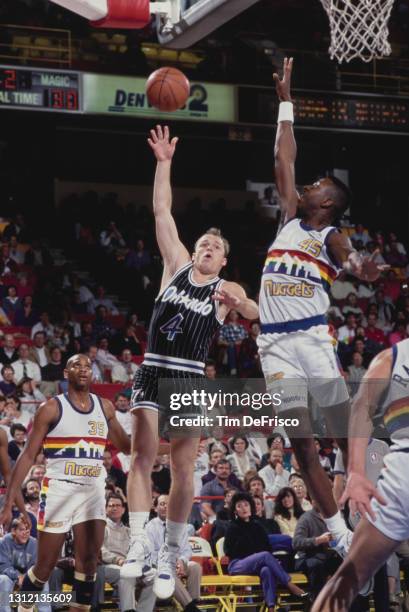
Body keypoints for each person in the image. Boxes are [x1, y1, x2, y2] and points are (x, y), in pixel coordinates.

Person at [257, 57, 388, 557]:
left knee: (348, 433)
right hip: (275, 348)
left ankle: (383, 486)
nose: (307, 185)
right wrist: (285, 102)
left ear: (329, 202)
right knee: (302, 444)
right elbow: (283, 158)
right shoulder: (288, 216)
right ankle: (338, 532)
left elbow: (348, 257)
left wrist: (360, 266)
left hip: (312, 341)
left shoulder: (331, 233)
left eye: (317, 186)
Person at [122, 125, 258, 599]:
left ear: (224, 260)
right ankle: (140, 540)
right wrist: (163, 163)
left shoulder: (226, 288)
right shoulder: (176, 265)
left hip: (191, 379)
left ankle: (171, 552)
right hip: (154, 367)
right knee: (141, 456)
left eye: (214, 247)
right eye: (203, 243)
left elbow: (256, 311)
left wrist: (238, 304)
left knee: (183, 471)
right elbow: (162, 210)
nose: (206, 248)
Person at [0, 353, 131, 612]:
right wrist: (8, 502)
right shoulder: (51, 407)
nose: (83, 369)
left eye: (87, 365)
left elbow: (128, 446)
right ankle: (24, 608)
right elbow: (27, 456)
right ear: (65, 373)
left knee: (89, 563)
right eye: (76, 365)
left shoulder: (105, 407)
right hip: (59, 490)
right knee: (45, 566)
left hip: (93, 492)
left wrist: (172, 446)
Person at [311, 338, 409, 610]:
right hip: (395, 486)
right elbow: (360, 407)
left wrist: (355, 472)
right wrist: (353, 471)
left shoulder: (389, 358)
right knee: (349, 578)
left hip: (399, 481)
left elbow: (360, 407)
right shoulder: (390, 358)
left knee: (347, 580)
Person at [224, 492, 310, 611]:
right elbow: (229, 551)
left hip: (258, 563)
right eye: (239, 506)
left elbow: (267, 547)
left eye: (246, 505)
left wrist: (265, 559)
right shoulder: (232, 528)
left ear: (251, 507)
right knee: (264, 556)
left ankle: (270, 607)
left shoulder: (257, 526)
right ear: (235, 511)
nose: (244, 508)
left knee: (267, 570)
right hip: (237, 564)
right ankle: (291, 586)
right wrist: (255, 554)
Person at [98, 494, 155, 612]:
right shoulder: (101, 528)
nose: (114, 508)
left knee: (155, 576)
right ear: (105, 509)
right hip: (107, 566)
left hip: (129, 565)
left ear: (123, 510)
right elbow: (100, 550)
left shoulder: (129, 531)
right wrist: (117, 560)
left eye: (118, 505)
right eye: (111, 506)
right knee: (127, 575)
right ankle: (129, 609)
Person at [146, 495, 202, 612]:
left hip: (177, 564)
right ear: (155, 508)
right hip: (158, 567)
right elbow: (151, 555)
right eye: (162, 504)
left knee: (195, 567)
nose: (166, 506)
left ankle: (193, 602)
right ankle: (191, 608)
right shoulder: (150, 527)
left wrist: (181, 561)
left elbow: (186, 550)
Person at [0, 517, 52, 612]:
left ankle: (45, 610)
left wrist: (26, 577)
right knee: (3, 579)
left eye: (27, 530)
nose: (25, 533)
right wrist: (17, 576)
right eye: (21, 530)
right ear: (13, 531)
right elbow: (3, 566)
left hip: (26, 576)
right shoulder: (4, 542)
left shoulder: (34, 543)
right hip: (10, 577)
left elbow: (36, 565)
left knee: (42, 580)